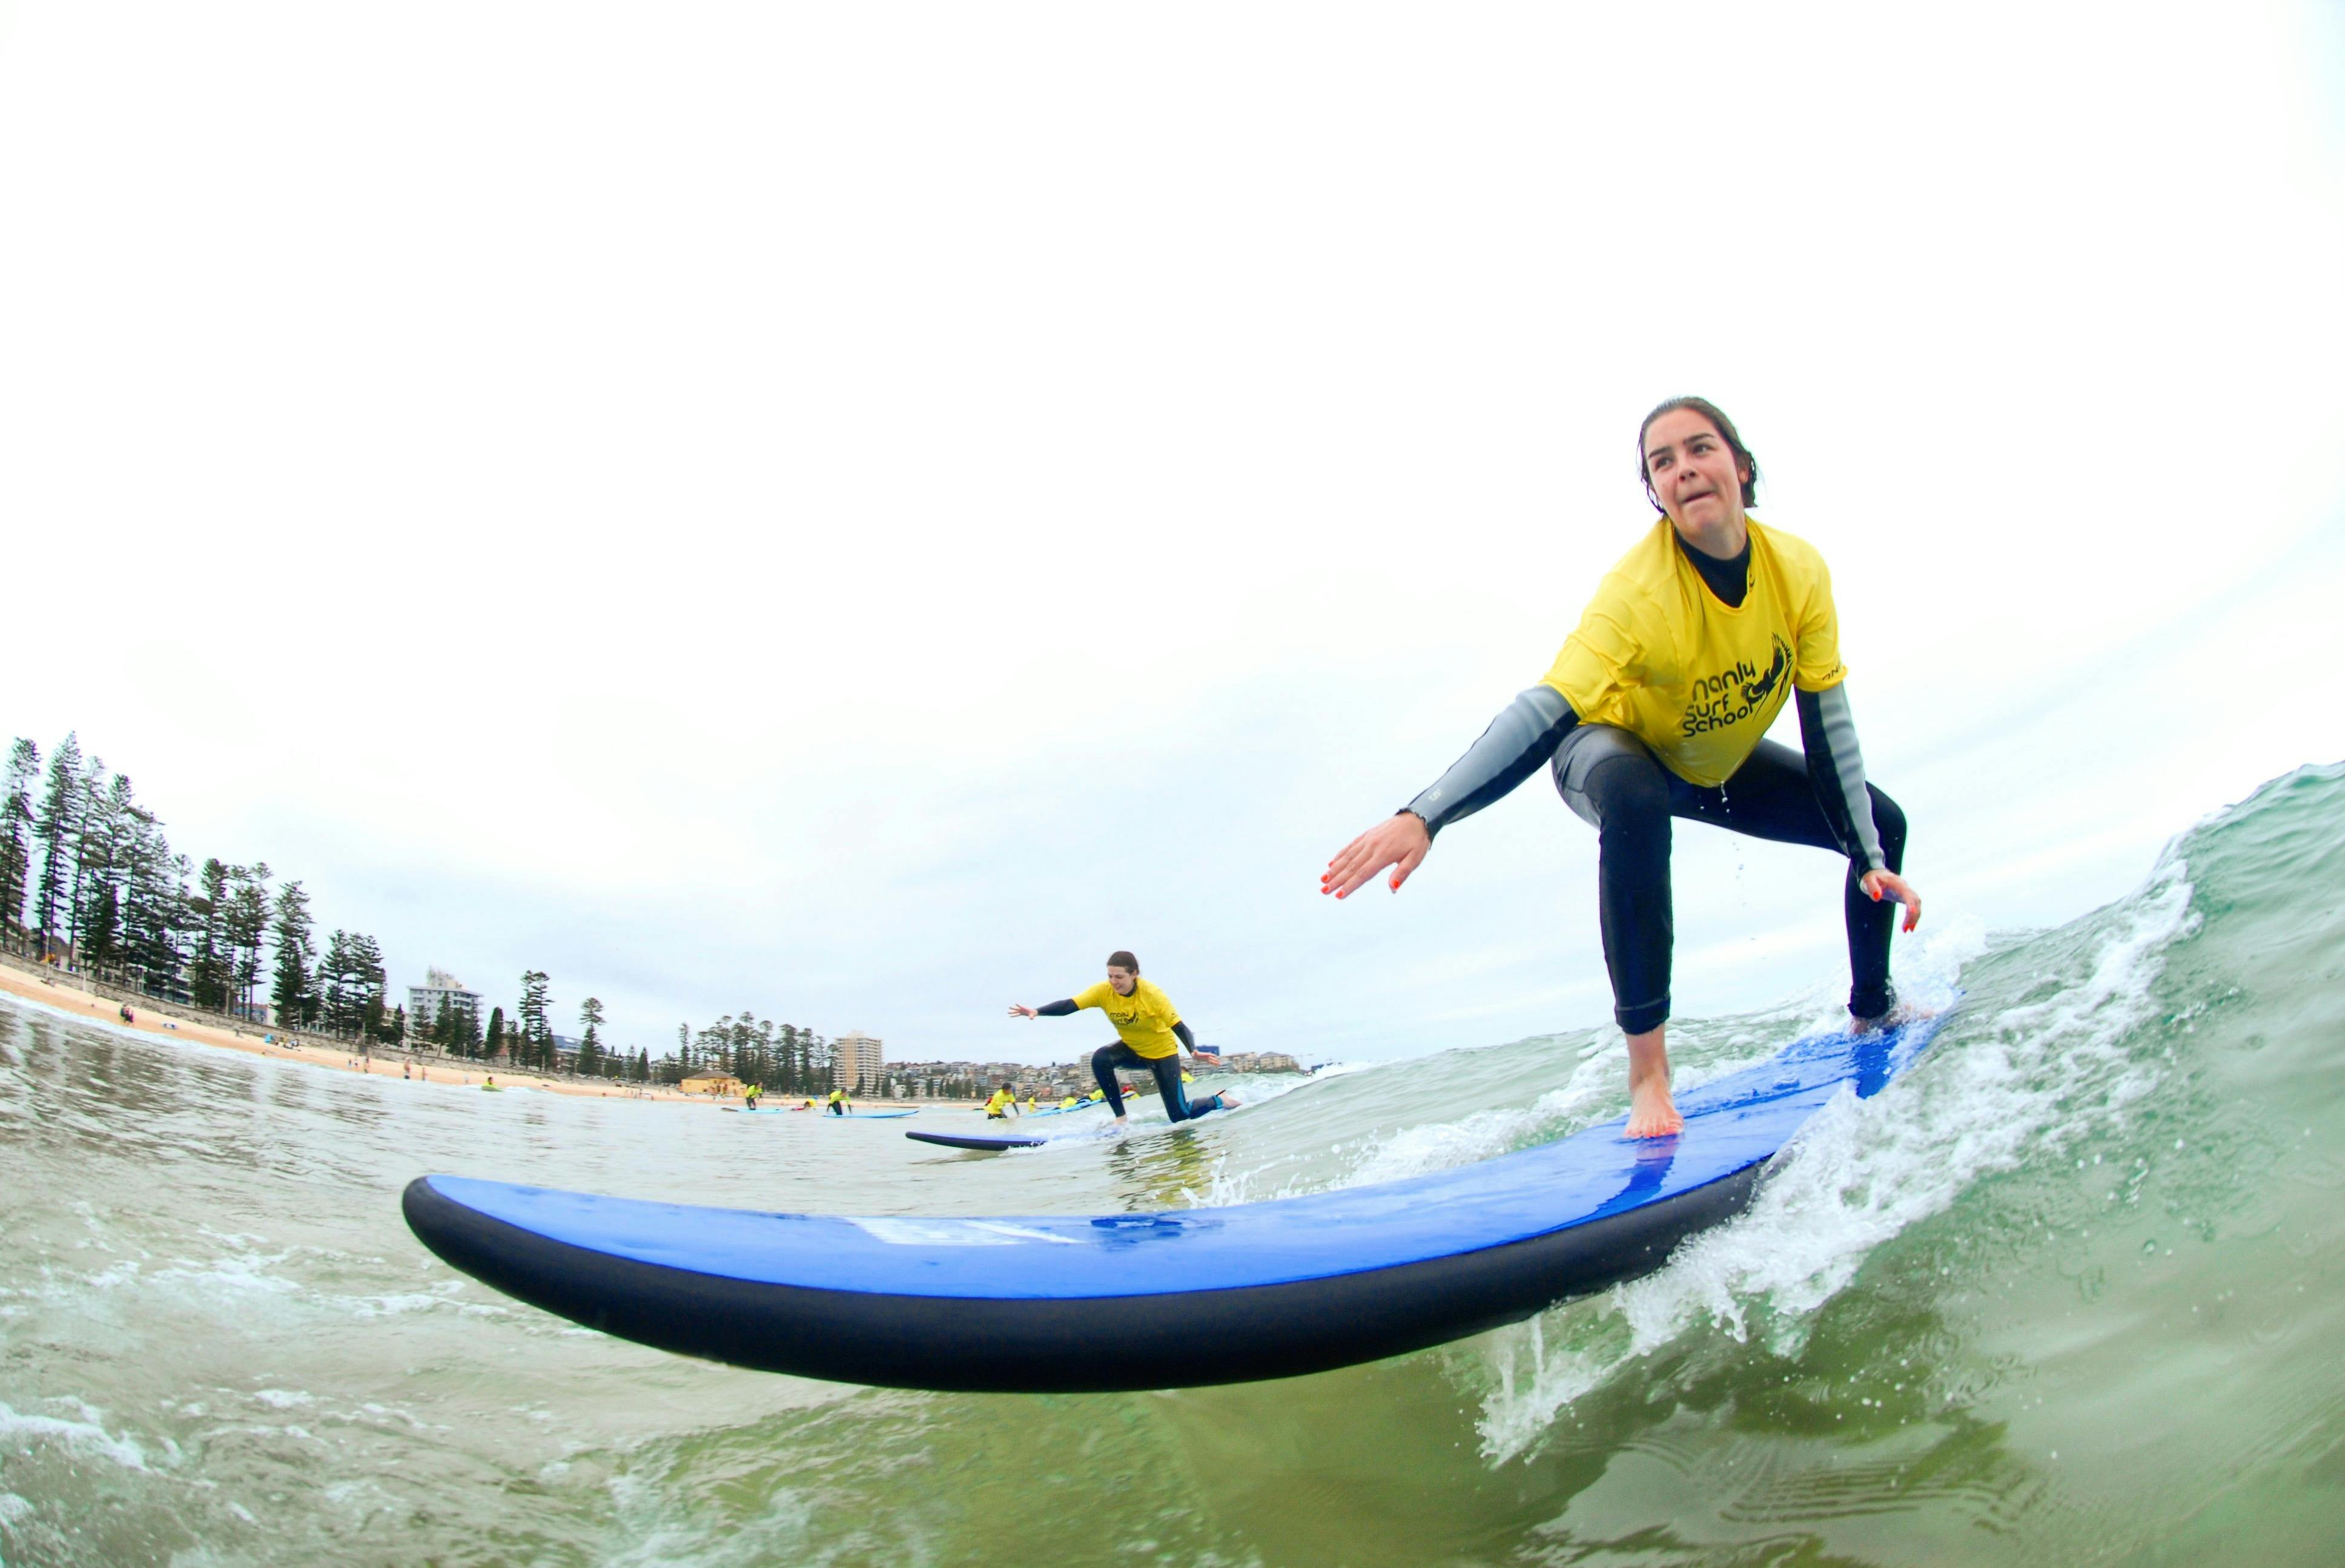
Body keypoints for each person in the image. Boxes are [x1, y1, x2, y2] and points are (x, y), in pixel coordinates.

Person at [1323, 397, 1923, 1140]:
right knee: (1635, 800)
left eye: (1698, 449)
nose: (1682, 470)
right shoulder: (1638, 594)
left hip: (1712, 761)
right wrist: (1425, 813)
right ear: (1655, 494)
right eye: (1660, 464)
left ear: (1739, 465)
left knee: (1880, 825)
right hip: (1609, 752)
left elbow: (1826, 724)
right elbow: (1542, 709)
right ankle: (1647, 1075)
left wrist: (1863, 854)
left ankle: (1872, 1008)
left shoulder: (1796, 571)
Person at [1010, 951, 1240, 1128]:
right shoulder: (1103, 992)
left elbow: (1179, 1026)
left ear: (1134, 975)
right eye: (1110, 976)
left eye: (1119, 977)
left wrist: (1193, 1051)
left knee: (1179, 1116)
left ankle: (1220, 1100)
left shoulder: (1152, 995)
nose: (1114, 982)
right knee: (1100, 1058)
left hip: (1163, 1056)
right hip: (1133, 1051)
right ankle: (1121, 1119)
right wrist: (1037, 1011)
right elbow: (1070, 1005)